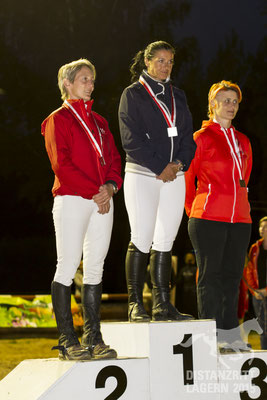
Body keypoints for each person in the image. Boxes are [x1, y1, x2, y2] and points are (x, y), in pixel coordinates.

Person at [41, 59, 122, 360]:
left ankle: (94, 338)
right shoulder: (57, 120)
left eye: (92, 79)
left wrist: (110, 187)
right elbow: (61, 165)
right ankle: (66, 340)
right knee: (67, 264)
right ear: (67, 83)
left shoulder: (100, 123)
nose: (90, 84)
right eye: (84, 79)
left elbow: (114, 159)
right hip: (73, 198)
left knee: (96, 267)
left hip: (103, 199)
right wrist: (96, 191)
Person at [118, 40, 196, 322]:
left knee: (166, 240)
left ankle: (163, 304)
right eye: (160, 60)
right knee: (141, 236)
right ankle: (135, 303)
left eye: (170, 61)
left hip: (176, 175)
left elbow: (188, 137)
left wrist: (178, 164)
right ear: (147, 62)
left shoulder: (179, 95)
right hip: (142, 174)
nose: (165, 66)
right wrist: (159, 166)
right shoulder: (133, 94)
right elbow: (130, 139)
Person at [185, 80, 253, 351]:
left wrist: (240, 209)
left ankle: (230, 337)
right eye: (225, 100)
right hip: (208, 218)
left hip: (241, 220)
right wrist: (195, 212)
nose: (231, 105)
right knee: (210, 278)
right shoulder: (200, 138)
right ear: (212, 104)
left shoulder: (244, 141)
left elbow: (244, 179)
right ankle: (210, 338)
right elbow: (188, 179)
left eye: (234, 101)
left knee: (232, 279)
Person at [244, 216, 267, 349]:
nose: (262, 229)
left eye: (265, 227)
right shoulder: (255, 247)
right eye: (261, 226)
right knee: (262, 329)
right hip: (258, 296)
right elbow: (249, 271)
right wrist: (254, 291)